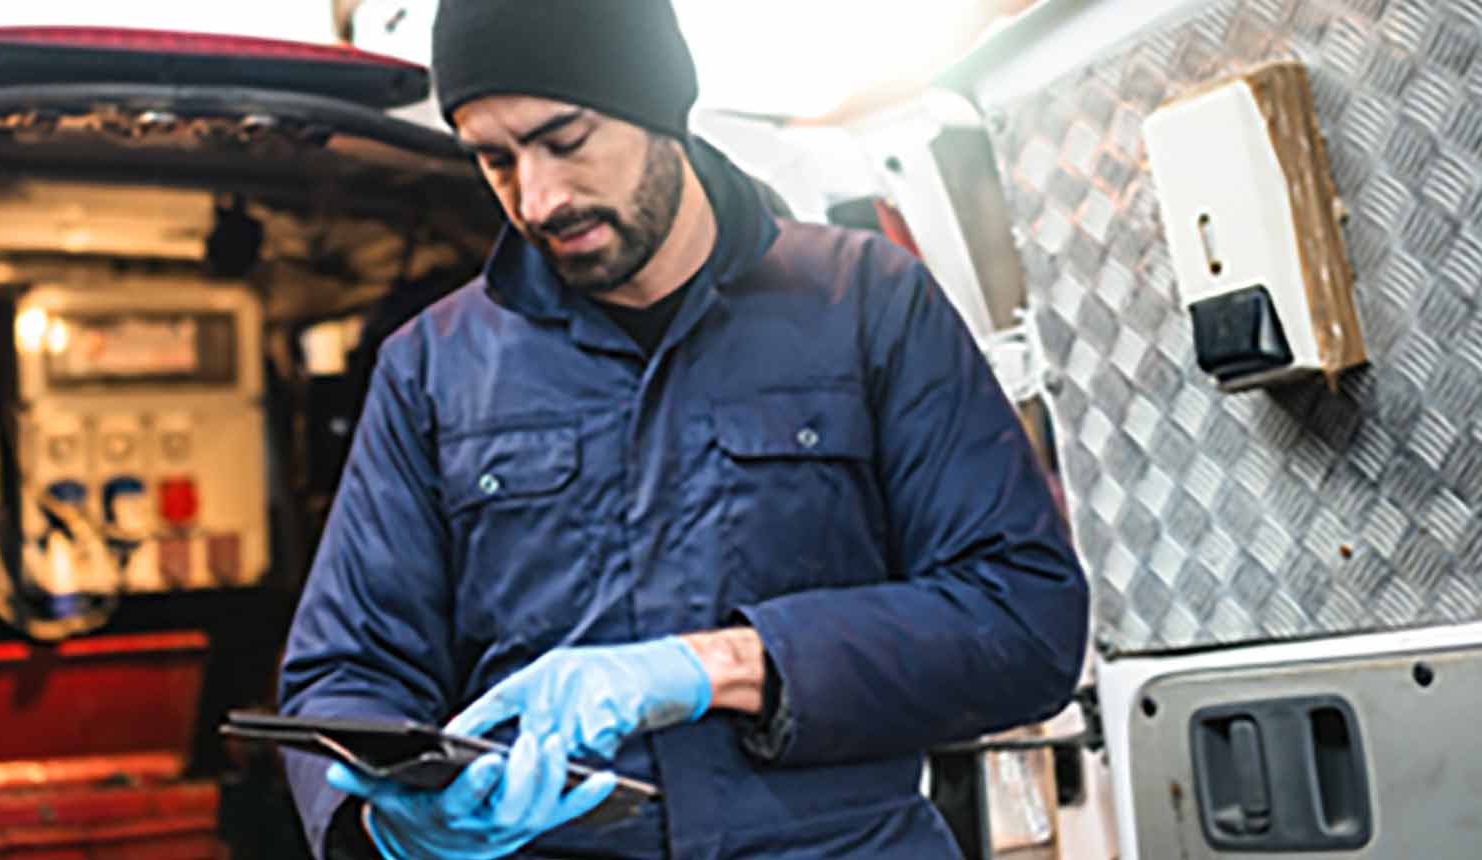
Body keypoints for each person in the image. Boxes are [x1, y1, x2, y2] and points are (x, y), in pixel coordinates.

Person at [278, 1, 1089, 856]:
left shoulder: (866, 304)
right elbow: (346, 668)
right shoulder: (434, 368)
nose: (539, 197)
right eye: (496, 159)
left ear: (660, 103)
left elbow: (1024, 622)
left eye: (567, 138)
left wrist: (721, 667)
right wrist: (397, 825)